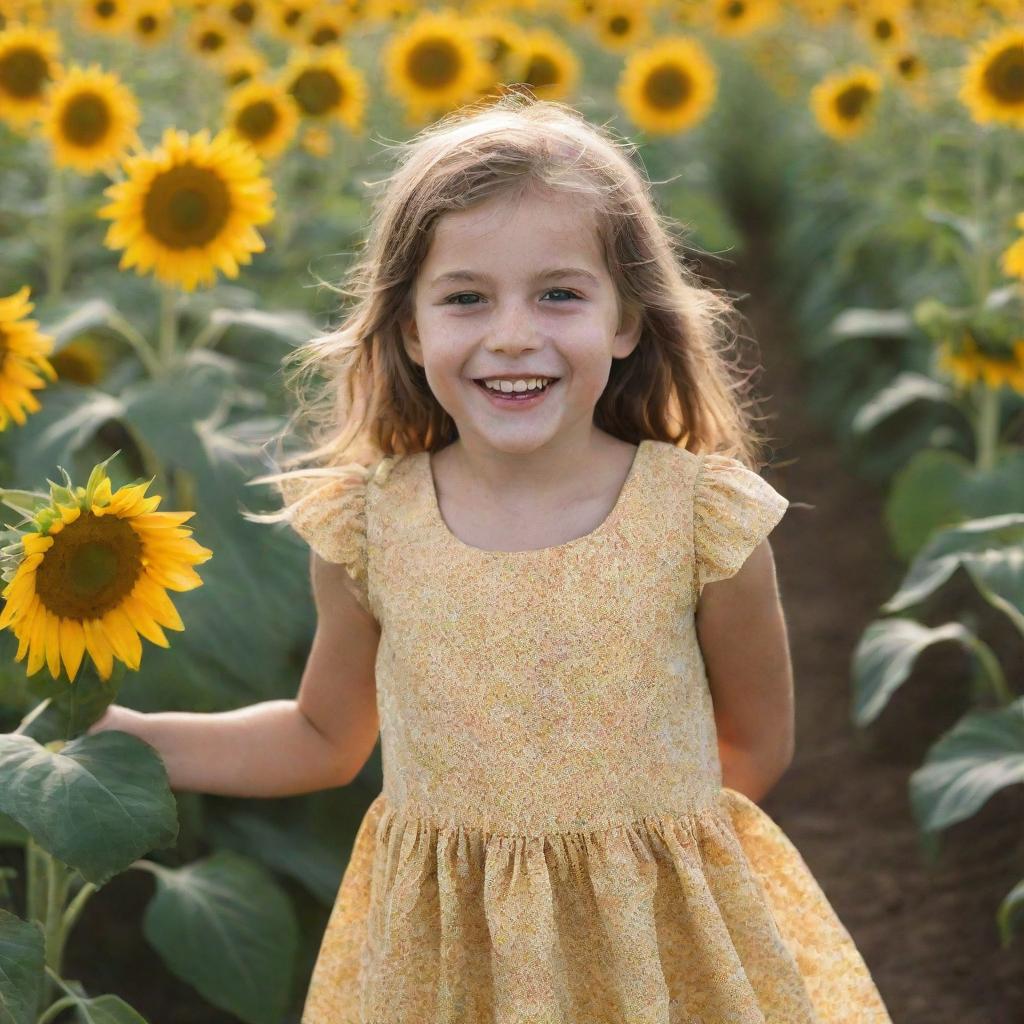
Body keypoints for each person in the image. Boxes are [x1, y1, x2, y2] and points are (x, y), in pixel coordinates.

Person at [89, 92, 893, 1023]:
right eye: (466, 297)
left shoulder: (695, 519)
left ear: (627, 321)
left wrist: (627, 865)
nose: (513, 333)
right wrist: (129, 739)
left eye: (559, 293)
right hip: (449, 959)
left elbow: (756, 742)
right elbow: (322, 737)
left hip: (652, 951)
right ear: (411, 328)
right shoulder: (373, 528)